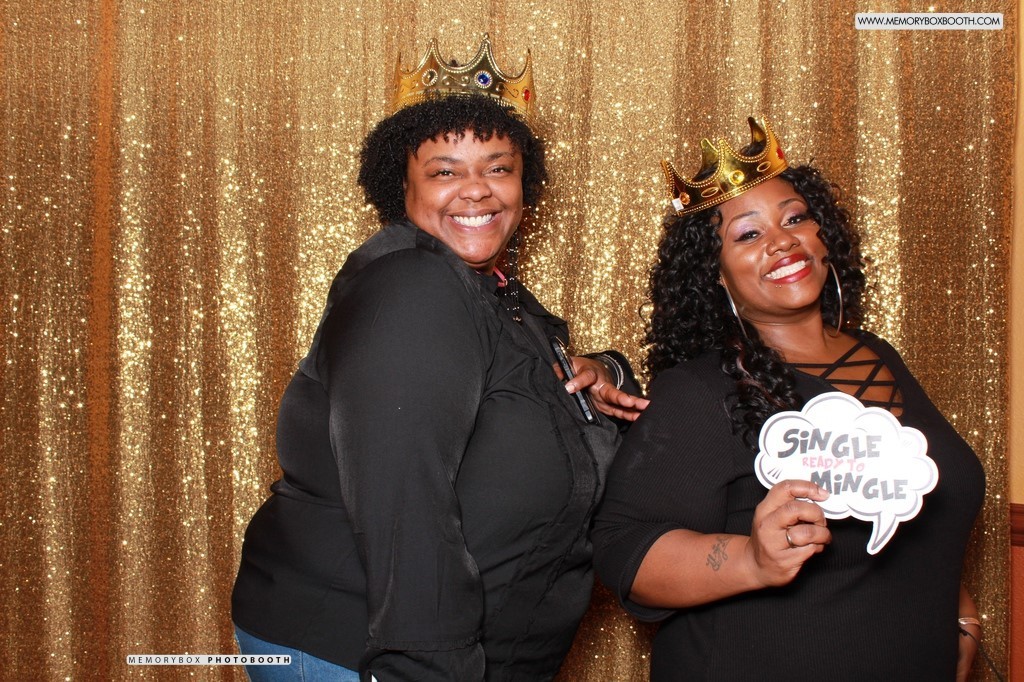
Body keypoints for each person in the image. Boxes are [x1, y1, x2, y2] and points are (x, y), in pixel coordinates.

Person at [231, 35, 647, 682]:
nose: (476, 191)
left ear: (524, 182)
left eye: (498, 168)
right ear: (402, 186)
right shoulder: (414, 289)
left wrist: (606, 368)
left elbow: (542, 397)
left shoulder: (493, 293)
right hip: (362, 648)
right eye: (445, 172)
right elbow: (404, 504)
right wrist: (427, 667)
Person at [592, 117, 985, 681]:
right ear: (716, 275)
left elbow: (914, 512)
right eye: (748, 235)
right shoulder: (702, 390)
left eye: (795, 218)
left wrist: (958, 610)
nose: (782, 241)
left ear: (823, 235)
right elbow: (623, 551)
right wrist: (752, 561)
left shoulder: (880, 355)